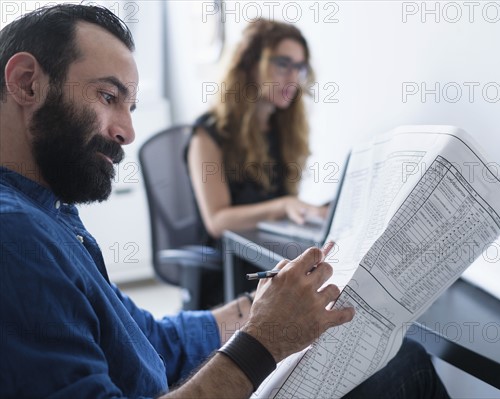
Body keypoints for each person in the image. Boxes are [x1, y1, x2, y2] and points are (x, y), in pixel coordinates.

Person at [0, 4, 450, 398]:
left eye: (130, 107)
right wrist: (263, 340)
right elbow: (218, 221)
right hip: (219, 276)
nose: (127, 132)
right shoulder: (15, 235)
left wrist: (254, 310)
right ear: (26, 82)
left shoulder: (53, 217)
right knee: (407, 363)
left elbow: (149, 336)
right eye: (107, 96)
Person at [186, 18, 327, 250]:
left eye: (299, 67)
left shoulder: (283, 129)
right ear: (251, 64)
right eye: (283, 64)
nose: (293, 79)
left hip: (267, 250)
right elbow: (217, 222)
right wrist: (283, 206)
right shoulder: (208, 133)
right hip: (227, 264)